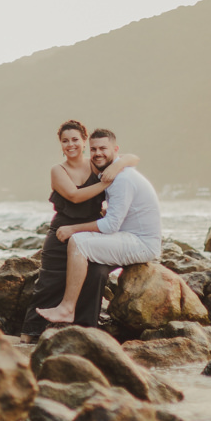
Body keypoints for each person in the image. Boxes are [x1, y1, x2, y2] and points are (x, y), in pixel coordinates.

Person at [18, 121, 138, 343]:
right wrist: (106, 182)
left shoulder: (96, 164)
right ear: (61, 145)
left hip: (92, 232)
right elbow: (74, 196)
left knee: (97, 274)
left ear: (84, 141)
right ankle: (30, 334)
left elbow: (133, 158)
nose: (70, 144)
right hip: (63, 233)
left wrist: (116, 167)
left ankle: (84, 329)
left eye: (75, 139)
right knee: (50, 283)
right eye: (65, 141)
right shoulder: (58, 170)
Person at [33, 128, 162, 326]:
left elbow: (111, 225)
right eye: (94, 149)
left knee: (79, 242)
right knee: (93, 269)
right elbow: (107, 212)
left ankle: (67, 308)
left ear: (115, 149)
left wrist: (73, 229)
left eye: (103, 148)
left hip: (140, 243)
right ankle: (83, 324)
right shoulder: (110, 174)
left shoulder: (122, 179)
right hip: (128, 237)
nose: (98, 153)